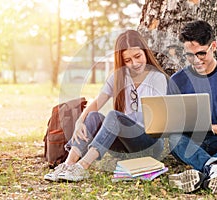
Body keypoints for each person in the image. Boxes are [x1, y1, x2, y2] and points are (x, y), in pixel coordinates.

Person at [44, 30, 168, 182]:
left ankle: (82, 166)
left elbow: (158, 120)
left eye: (138, 56)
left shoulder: (157, 78)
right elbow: (97, 102)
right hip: (124, 145)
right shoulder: (118, 76)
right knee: (93, 116)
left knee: (114, 116)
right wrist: (79, 121)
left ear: (145, 53)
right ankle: (68, 165)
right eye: (128, 60)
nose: (134, 64)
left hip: (150, 143)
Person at [167, 20, 217, 193]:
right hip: (190, 140)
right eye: (190, 55)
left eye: (201, 54)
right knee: (174, 139)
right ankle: (216, 170)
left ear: (213, 46)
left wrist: (210, 128)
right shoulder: (177, 80)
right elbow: (172, 124)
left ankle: (201, 173)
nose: (196, 60)